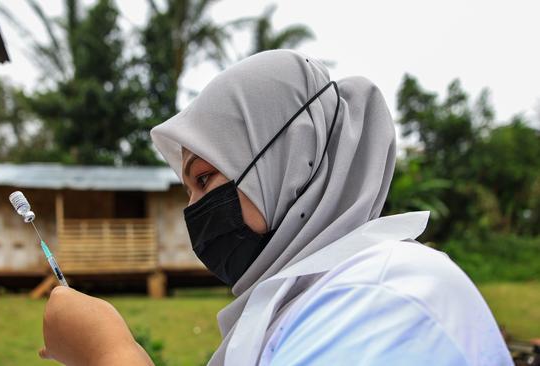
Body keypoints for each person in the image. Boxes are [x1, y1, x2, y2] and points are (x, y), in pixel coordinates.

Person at [39, 50, 512, 365]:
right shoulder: (304, 300)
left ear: (295, 161)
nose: (196, 211)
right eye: (188, 191)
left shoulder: (384, 298)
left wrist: (112, 354)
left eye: (206, 178)